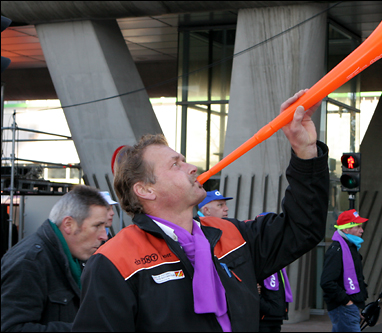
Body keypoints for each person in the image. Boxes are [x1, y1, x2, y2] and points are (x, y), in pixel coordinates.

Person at [72, 90, 329, 331]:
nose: (192, 167)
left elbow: (303, 227)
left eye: (184, 160)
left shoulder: (233, 235)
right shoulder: (113, 262)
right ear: (146, 190)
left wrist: (305, 151)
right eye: (176, 164)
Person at [1, 185, 109, 332]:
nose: (104, 235)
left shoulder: (76, 258)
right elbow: (11, 328)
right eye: (97, 226)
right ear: (68, 225)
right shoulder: (29, 263)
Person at [320, 209, 369, 332]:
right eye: (358, 226)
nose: (361, 230)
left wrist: (357, 305)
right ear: (346, 229)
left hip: (348, 308)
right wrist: (348, 303)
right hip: (343, 308)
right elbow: (327, 282)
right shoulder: (337, 250)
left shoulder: (350, 248)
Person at [256, 212, 293, 332]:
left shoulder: (275, 253)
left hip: (275, 316)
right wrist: (262, 302)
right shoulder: (257, 251)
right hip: (264, 317)